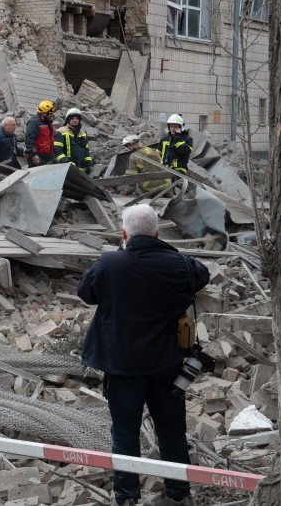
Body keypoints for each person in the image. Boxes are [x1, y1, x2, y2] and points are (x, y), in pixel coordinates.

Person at [77, 204, 210, 506]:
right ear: (158, 233)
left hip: (123, 367)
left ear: (124, 234)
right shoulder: (180, 263)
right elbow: (201, 275)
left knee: (125, 434)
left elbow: (85, 292)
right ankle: (178, 496)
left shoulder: (109, 263)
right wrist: (166, 252)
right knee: (172, 431)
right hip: (169, 366)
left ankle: (126, 498)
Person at [54, 107, 94, 173]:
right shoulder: (61, 132)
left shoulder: (83, 134)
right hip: (65, 170)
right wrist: (67, 163)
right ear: (68, 119)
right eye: (72, 118)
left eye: (77, 118)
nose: (75, 120)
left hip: (80, 171)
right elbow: (57, 151)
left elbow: (86, 152)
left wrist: (89, 163)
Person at [25, 101, 57, 167]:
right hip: (39, 157)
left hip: (49, 156)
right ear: (44, 113)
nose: (52, 115)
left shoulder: (47, 122)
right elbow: (29, 140)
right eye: (50, 113)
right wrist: (34, 155)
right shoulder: (34, 122)